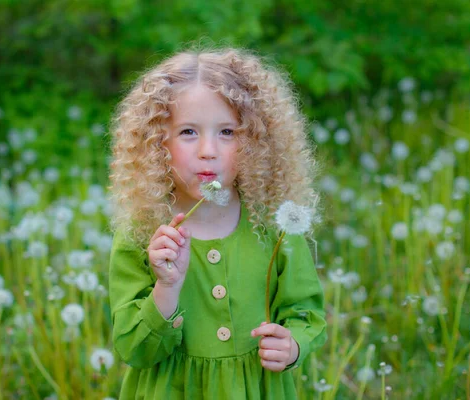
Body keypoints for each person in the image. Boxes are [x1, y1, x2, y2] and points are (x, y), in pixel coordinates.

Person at [108, 47, 327, 399]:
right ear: (156, 142)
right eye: (188, 132)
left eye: (227, 132)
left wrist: (294, 346)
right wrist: (166, 287)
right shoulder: (144, 233)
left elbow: (306, 313)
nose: (208, 150)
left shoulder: (274, 225)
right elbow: (134, 349)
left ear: (257, 141)